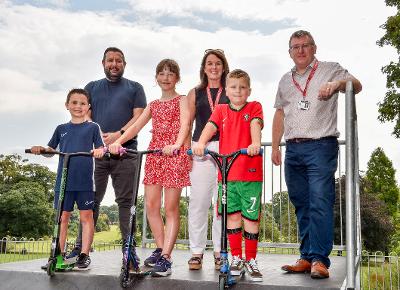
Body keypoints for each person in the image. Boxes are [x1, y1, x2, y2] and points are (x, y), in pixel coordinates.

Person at [271, 30, 362, 279]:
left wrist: (337, 84)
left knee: (320, 201)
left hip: (321, 146)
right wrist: (276, 146)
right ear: (289, 52)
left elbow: (357, 84)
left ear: (314, 48)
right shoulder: (284, 80)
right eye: (295, 47)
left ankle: (320, 260)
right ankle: (306, 256)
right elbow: (280, 113)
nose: (300, 50)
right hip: (294, 149)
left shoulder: (331, 69)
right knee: (301, 203)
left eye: (305, 45)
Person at [109, 59, 191, 277]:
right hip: (155, 155)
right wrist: (118, 141)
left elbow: (185, 124)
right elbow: (136, 126)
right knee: (151, 206)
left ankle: (166, 257)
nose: (165, 78)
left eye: (170, 74)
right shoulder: (153, 105)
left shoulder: (182, 100)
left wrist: (176, 144)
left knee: (170, 208)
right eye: (161, 74)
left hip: (173, 154)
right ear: (156, 78)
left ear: (177, 78)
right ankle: (161, 248)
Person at [70, 47, 147, 259]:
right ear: (103, 63)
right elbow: (85, 115)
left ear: (124, 64)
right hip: (96, 154)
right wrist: (99, 136)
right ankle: (81, 248)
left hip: (126, 152)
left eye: (118, 61)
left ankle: (128, 249)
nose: (114, 64)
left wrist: (118, 135)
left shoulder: (135, 88)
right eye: (110, 60)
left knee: (126, 202)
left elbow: (139, 119)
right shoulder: (92, 87)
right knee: (90, 201)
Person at [192, 69, 264, 282]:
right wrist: (201, 143)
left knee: (250, 218)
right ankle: (236, 258)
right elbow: (210, 126)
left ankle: (251, 259)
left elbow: (255, 124)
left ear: (249, 90)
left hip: (250, 174)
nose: (238, 91)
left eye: (242, 87)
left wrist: (255, 143)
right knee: (231, 217)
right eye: (233, 87)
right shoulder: (222, 109)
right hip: (228, 174)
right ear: (227, 91)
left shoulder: (254, 107)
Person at [31, 88, 104, 269]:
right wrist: (41, 149)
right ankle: (58, 255)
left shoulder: (93, 127)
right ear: (67, 105)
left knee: (86, 217)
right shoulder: (61, 129)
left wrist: (99, 151)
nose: (78, 106)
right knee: (62, 218)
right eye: (74, 102)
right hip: (63, 182)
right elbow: (50, 150)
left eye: (82, 103)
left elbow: (101, 148)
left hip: (85, 182)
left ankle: (84, 255)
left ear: (88, 106)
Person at [187, 49, 230, 271]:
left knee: (221, 204)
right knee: (199, 202)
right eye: (209, 63)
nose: (213, 67)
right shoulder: (195, 92)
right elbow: (187, 124)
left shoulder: (232, 90)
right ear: (204, 68)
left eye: (218, 63)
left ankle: (220, 252)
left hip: (225, 149)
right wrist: (188, 150)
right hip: (200, 150)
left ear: (223, 67)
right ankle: (196, 252)